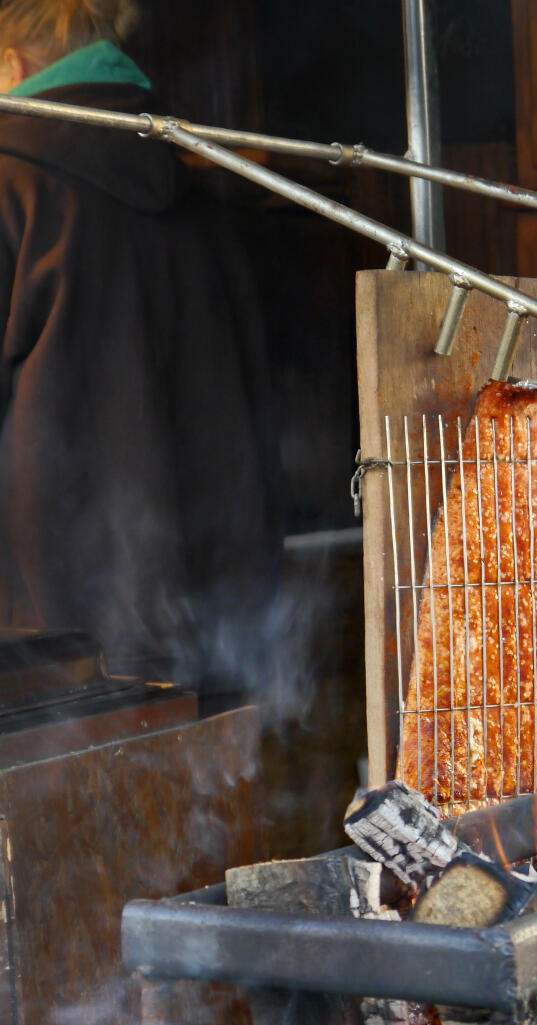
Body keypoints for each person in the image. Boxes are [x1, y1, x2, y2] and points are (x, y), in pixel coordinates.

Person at [0, 0, 280, 696]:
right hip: (214, 631)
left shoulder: (10, 186)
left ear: (10, 64)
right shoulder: (198, 183)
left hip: (47, 657)